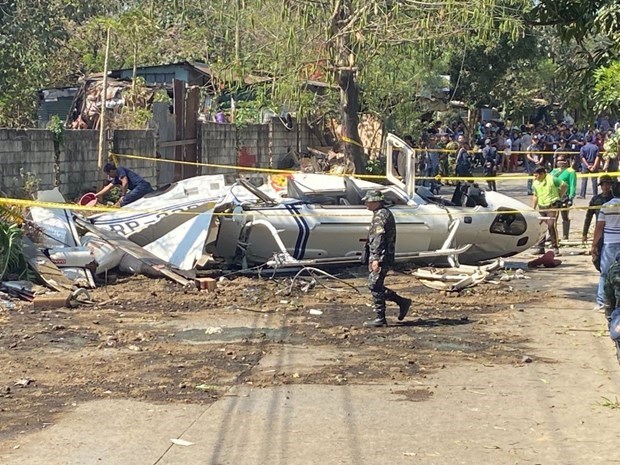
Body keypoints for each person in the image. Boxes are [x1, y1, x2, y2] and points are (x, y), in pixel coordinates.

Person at [361, 190, 411, 327]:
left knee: (374, 285)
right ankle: (401, 302)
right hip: (381, 256)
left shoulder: (381, 216)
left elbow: (379, 237)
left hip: (382, 257)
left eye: (368, 201)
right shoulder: (381, 214)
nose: (366, 204)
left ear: (376, 202)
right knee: (375, 285)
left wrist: (376, 258)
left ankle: (381, 318)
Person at [591, 185, 620, 312]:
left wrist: (594, 245)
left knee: (605, 273)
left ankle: (602, 301)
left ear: (613, 192)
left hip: (609, 243)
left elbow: (599, 227)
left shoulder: (606, 206)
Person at [531, 167, 567, 255]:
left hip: (552, 206)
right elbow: (535, 195)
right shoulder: (535, 183)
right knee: (541, 226)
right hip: (542, 207)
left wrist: (559, 195)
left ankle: (555, 247)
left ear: (542, 174)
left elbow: (564, 185)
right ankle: (540, 247)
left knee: (551, 225)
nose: (535, 177)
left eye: (537, 175)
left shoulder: (552, 179)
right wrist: (532, 208)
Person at [550, 155, 577, 240]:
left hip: (565, 196)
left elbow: (573, 185)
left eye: (562, 160)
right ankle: (553, 235)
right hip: (555, 195)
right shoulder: (554, 171)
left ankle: (565, 235)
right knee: (553, 216)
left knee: (564, 215)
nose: (560, 162)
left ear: (566, 161)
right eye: (558, 160)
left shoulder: (571, 171)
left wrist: (571, 196)